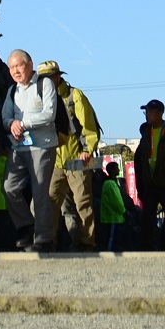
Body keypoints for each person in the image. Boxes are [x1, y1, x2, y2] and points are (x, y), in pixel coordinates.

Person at [0, 48, 59, 252]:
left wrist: (23, 124)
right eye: (11, 67)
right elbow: (5, 117)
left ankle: (43, 239)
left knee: (40, 192)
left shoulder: (45, 84)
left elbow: (49, 114)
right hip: (19, 147)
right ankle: (26, 227)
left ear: (30, 64)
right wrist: (12, 124)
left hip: (42, 146)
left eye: (19, 65)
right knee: (9, 187)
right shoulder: (12, 90)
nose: (15, 71)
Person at [38, 60, 101, 252]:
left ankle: (86, 244)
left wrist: (87, 151)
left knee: (83, 203)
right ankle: (46, 243)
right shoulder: (40, 100)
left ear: (58, 77)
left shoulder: (74, 96)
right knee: (49, 203)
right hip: (54, 161)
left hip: (77, 159)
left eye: (49, 78)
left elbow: (89, 127)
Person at [132, 99, 165, 250]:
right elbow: (138, 161)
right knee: (147, 219)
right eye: (146, 112)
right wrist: (140, 184)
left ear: (160, 113)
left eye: (150, 112)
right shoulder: (145, 134)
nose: (147, 115)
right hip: (149, 184)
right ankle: (147, 248)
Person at [99, 159, 129, 253]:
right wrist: (124, 211)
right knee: (111, 239)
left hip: (115, 217)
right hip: (112, 217)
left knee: (115, 239)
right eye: (117, 168)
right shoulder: (110, 183)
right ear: (112, 170)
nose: (119, 170)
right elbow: (116, 200)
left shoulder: (111, 182)